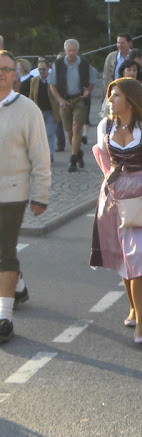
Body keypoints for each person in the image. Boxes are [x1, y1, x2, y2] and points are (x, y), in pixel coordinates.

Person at [90, 78, 142, 344]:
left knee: (141, 261)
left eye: (115, 95)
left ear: (131, 99)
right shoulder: (105, 125)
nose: (110, 100)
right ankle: (134, 308)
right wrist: (111, 179)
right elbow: (102, 156)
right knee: (123, 259)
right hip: (114, 197)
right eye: (109, 95)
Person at [0, 50, 51, 344]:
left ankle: (4, 317)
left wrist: (40, 194)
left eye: (7, 69)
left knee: (5, 252)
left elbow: (40, 155)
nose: (1, 74)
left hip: (13, 192)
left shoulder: (28, 109)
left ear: (15, 76)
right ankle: (17, 285)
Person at [49, 39, 96, 173]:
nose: (71, 53)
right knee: (69, 130)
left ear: (78, 51)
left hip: (79, 98)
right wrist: (60, 99)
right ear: (65, 51)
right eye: (69, 50)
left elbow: (92, 81)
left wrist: (88, 90)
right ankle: (78, 151)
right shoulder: (57, 64)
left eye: (74, 50)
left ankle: (73, 159)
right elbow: (52, 84)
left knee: (77, 127)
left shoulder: (84, 63)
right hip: (64, 99)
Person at [29, 59, 60, 162]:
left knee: (49, 134)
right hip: (39, 111)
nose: (42, 71)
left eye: (43, 69)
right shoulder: (34, 81)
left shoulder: (54, 80)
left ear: (48, 69)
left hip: (51, 111)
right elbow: (31, 96)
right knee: (39, 135)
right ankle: (41, 155)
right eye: (39, 69)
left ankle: (49, 155)